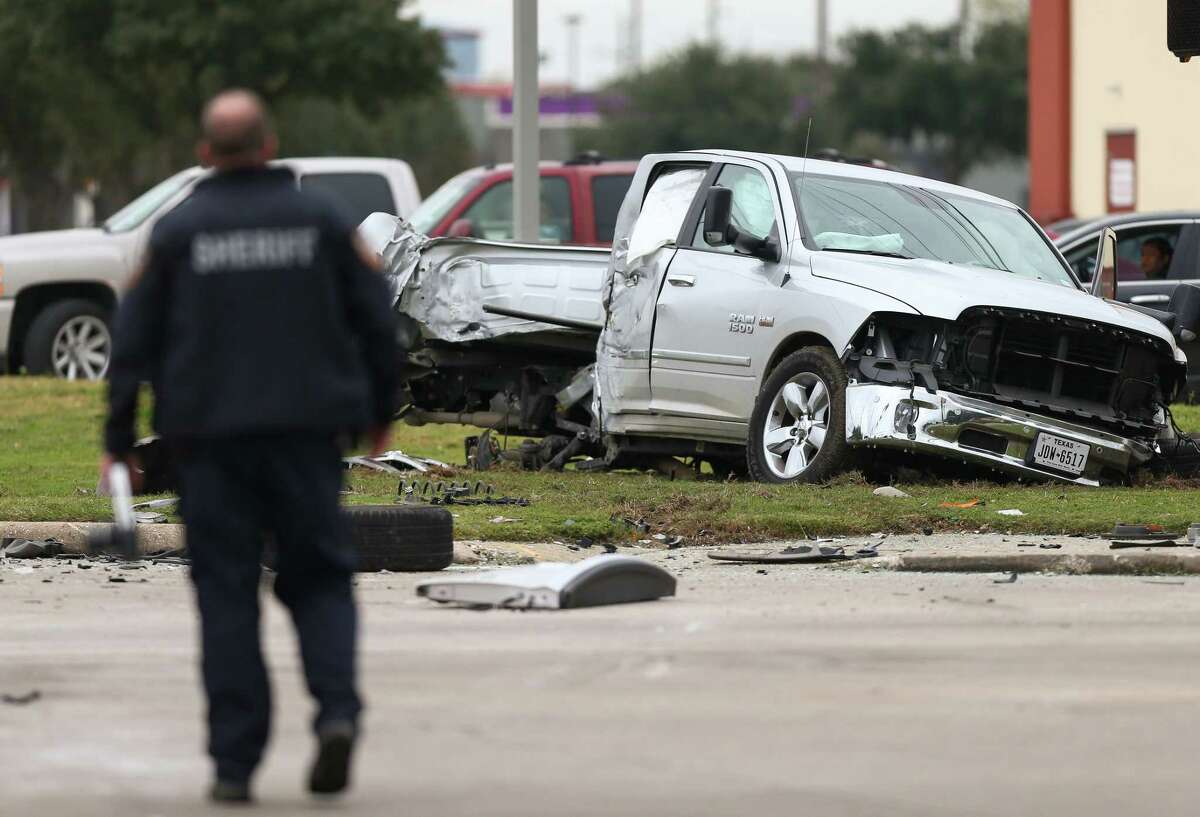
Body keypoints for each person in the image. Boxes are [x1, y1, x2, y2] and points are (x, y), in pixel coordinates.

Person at [100, 89, 399, 804]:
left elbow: (131, 345)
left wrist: (118, 439)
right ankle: (335, 713)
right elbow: (377, 317)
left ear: (206, 153)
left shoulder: (177, 232)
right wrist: (381, 411)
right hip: (306, 439)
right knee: (321, 579)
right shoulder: (322, 219)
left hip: (210, 448)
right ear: (269, 145)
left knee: (227, 596)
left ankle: (235, 765)